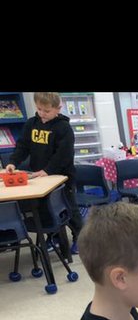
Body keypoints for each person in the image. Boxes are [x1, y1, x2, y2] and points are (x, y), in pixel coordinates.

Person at [4, 91, 83, 252]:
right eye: (39, 109)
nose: (42, 114)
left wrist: (48, 170)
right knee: (45, 210)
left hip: (63, 177)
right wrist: (13, 162)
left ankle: (80, 239)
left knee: (69, 209)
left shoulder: (64, 127)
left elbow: (64, 154)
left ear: (58, 109)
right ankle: (54, 238)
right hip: (41, 177)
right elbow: (22, 147)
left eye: (46, 111)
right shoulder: (31, 124)